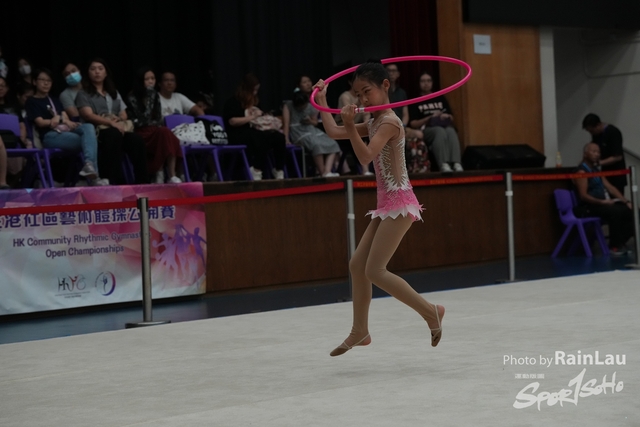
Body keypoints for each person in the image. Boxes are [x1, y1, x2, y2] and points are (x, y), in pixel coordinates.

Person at [313, 60, 444, 356]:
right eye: (358, 94)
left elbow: (364, 157)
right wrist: (322, 100)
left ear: (385, 86)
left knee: (374, 270)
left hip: (401, 202)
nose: (362, 99)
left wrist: (350, 125)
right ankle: (360, 330)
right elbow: (333, 132)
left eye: (367, 91)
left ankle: (431, 312)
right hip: (387, 205)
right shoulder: (373, 121)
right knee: (357, 266)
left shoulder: (389, 122)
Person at [25, 68, 108, 186]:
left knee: (88, 127)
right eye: (42, 80)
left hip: (65, 132)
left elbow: (64, 116)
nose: (46, 83)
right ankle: (95, 178)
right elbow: (40, 122)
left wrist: (64, 120)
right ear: (34, 82)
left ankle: (89, 165)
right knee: (89, 140)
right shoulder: (32, 101)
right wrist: (57, 119)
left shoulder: (54, 100)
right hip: (50, 136)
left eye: (49, 81)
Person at [76, 58, 149, 185]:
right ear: (88, 73)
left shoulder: (113, 92)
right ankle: (107, 178)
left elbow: (123, 113)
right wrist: (110, 122)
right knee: (113, 135)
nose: (97, 72)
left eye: (100, 69)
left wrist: (119, 119)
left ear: (106, 73)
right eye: (93, 69)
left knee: (136, 140)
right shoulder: (83, 93)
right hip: (97, 131)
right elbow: (88, 115)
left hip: (117, 128)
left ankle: (142, 181)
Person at [223, 73, 286, 180]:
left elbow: (258, 119)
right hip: (238, 133)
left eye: (257, 90)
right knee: (260, 138)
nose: (255, 93)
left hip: (255, 130)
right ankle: (256, 170)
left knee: (278, 137)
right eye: (253, 90)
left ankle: (278, 169)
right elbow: (232, 121)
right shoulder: (233, 102)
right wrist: (252, 117)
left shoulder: (255, 102)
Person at [574, 142, 634, 256]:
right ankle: (615, 246)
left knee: (633, 211)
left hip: (603, 204)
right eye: (593, 151)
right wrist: (602, 202)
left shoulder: (596, 170)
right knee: (615, 212)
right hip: (589, 206)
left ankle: (621, 241)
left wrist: (626, 201)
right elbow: (583, 195)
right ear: (585, 154)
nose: (597, 154)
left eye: (598, 152)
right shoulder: (581, 171)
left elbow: (611, 188)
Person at [127, 67, 182, 183]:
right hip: (140, 131)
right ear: (141, 80)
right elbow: (142, 119)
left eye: (153, 78)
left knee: (165, 133)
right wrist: (150, 97)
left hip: (154, 129)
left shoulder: (155, 95)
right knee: (162, 135)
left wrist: (152, 96)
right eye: (147, 79)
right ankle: (159, 172)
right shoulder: (132, 96)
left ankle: (172, 175)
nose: (151, 81)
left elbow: (157, 118)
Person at [409, 72, 463, 173]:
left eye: (428, 81)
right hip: (426, 128)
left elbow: (451, 116)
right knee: (439, 131)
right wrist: (429, 118)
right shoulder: (415, 100)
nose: (426, 83)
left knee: (451, 131)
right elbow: (413, 123)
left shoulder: (440, 97)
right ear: (419, 83)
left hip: (443, 125)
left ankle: (456, 163)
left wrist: (446, 116)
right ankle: (444, 164)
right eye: (423, 81)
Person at [282, 88, 340, 177]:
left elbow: (315, 122)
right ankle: (322, 172)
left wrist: (310, 121)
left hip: (311, 129)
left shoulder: (311, 106)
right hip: (298, 132)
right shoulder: (288, 105)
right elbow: (286, 124)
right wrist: (286, 139)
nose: (302, 108)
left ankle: (327, 171)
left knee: (333, 143)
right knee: (316, 145)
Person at [386, 63, 429, 173]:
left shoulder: (402, 92)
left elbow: (405, 114)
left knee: (419, 136)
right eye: (389, 70)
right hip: (386, 126)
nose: (391, 73)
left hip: (401, 126)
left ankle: (417, 169)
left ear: (398, 74)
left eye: (394, 71)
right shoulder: (382, 92)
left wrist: (403, 126)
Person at [334, 75, 372, 175]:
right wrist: (359, 102)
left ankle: (371, 168)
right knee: (361, 137)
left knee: (371, 133)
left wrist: (368, 126)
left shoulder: (365, 97)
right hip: (343, 127)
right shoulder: (345, 96)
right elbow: (348, 114)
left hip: (358, 127)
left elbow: (366, 115)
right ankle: (365, 170)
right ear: (350, 82)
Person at [582, 113, 626, 196]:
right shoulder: (596, 135)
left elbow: (617, 157)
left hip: (617, 174)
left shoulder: (613, 132)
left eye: (592, 131)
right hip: (605, 172)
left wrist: (599, 163)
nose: (591, 134)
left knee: (617, 197)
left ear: (598, 125)